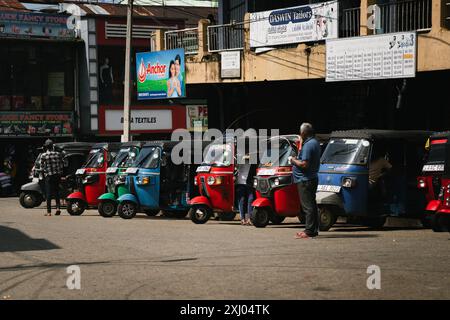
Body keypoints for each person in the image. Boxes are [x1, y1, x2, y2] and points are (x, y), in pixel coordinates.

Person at [288, 123, 321, 239]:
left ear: (304, 132)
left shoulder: (309, 145)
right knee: (311, 204)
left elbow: (304, 164)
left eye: (301, 132)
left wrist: (292, 160)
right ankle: (313, 229)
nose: (300, 134)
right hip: (311, 178)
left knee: (308, 206)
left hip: (305, 180)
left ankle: (309, 231)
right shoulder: (314, 142)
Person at [40, 139, 63, 216]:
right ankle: (58, 208)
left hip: (49, 176)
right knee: (56, 192)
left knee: (49, 193)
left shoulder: (43, 155)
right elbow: (64, 163)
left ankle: (49, 212)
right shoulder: (58, 154)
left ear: (46, 147)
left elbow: (42, 167)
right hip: (57, 175)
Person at [235, 154, 256, 225]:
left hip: (249, 183)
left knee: (251, 199)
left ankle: (250, 218)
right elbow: (236, 163)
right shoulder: (239, 160)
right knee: (242, 200)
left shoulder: (253, 161)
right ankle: (242, 219)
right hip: (240, 183)